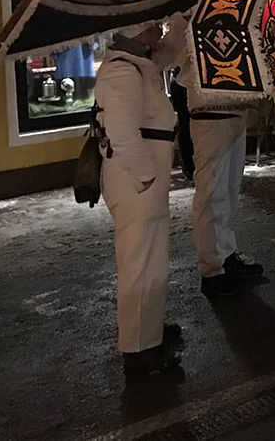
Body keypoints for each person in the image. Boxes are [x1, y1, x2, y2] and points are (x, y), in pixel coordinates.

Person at [96, 24, 181, 375]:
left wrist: (183, 16)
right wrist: (147, 176)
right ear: (134, 33)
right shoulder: (121, 70)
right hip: (136, 184)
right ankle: (139, 350)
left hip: (144, 182)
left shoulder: (136, 63)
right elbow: (122, 134)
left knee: (151, 260)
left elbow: (173, 48)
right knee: (138, 263)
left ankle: (150, 333)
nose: (157, 32)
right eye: (152, 26)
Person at [186, 101, 266, 299]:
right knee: (212, 194)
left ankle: (226, 257)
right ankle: (212, 271)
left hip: (233, 109)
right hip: (210, 109)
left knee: (229, 191)